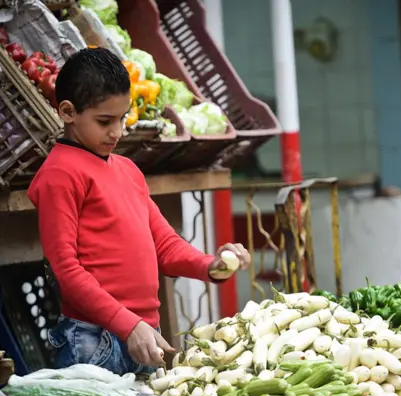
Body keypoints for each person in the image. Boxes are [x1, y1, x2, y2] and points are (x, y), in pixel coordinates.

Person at [27, 48, 251, 375]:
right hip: (93, 341)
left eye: (122, 118)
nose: (117, 132)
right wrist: (128, 325)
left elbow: (166, 246)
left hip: (144, 335)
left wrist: (211, 265)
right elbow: (66, 271)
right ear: (67, 111)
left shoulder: (128, 169)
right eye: (105, 121)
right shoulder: (59, 175)